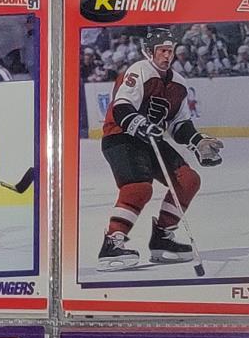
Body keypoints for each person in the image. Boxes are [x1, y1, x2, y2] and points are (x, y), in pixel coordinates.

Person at [95, 29, 223, 270]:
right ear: (149, 51)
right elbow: (121, 107)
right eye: (162, 51)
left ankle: (162, 238)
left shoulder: (179, 83)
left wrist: (197, 141)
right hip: (120, 136)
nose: (167, 56)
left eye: (170, 51)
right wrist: (139, 123)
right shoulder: (139, 70)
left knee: (188, 180)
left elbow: (179, 124)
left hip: (150, 139)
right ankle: (112, 243)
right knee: (139, 188)